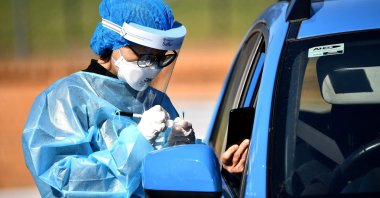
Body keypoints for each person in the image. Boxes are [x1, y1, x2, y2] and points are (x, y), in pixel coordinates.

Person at [22, 0, 195, 197]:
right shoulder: (66, 98)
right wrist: (136, 144)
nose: (152, 67)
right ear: (114, 42)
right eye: (144, 55)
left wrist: (185, 153)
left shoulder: (156, 101)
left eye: (160, 57)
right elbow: (62, 181)